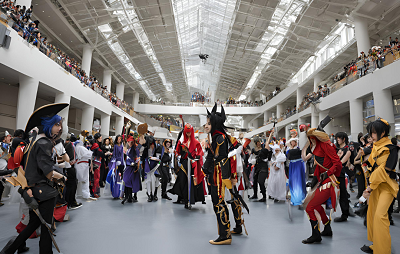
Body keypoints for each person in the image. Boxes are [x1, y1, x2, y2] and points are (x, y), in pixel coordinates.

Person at [0, 103, 69, 254]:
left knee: (33, 225)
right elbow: (49, 173)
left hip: (34, 189)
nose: (60, 128)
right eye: (57, 125)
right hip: (44, 191)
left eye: (60, 125)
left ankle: (10, 249)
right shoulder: (44, 143)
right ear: (48, 125)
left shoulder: (35, 141)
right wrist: (62, 177)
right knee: (46, 227)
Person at [202, 104, 244, 245]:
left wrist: (225, 178)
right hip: (220, 174)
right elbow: (213, 156)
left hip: (219, 176)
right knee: (223, 202)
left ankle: (225, 235)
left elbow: (221, 158)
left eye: (209, 123)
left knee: (219, 203)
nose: (206, 126)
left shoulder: (219, 138)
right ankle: (230, 230)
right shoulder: (218, 137)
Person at [360, 118, 398, 254]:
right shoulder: (375, 147)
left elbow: (385, 170)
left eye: (374, 133)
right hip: (375, 186)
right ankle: (376, 245)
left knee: (380, 216)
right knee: (372, 215)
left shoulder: (391, 148)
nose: (371, 136)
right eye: (371, 133)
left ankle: (383, 251)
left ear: (383, 133)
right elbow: (370, 166)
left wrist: (370, 186)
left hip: (387, 186)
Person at [301, 127, 342, 244]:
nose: (311, 141)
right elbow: (319, 166)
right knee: (315, 205)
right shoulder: (317, 147)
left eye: (312, 139)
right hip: (322, 181)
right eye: (310, 139)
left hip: (329, 182)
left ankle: (316, 235)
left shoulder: (325, 146)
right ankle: (327, 227)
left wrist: (327, 173)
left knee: (309, 207)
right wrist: (315, 180)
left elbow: (337, 163)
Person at [168, 123, 205, 208]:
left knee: (192, 182)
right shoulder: (182, 141)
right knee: (182, 181)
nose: (188, 134)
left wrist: (197, 155)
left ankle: (190, 199)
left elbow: (199, 152)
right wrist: (180, 150)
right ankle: (184, 199)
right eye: (187, 132)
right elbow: (177, 151)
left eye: (189, 132)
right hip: (185, 163)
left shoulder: (196, 142)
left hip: (193, 164)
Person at [250, 133, 273, 202]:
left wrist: (271, 134)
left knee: (261, 181)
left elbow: (267, 142)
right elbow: (251, 157)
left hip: (263, 167)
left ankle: (264, 196)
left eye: (259, 142)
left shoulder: (265, 149)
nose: (258, 144)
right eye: (257, 143)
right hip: (257, 167)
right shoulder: (254, 149)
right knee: (255, 181)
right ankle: (255, 194)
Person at [334, 132, 351, 222]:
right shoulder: (337, 148)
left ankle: (345, 213)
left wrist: (338, 157)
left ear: (344, 139)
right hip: (334, 172)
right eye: (337, 138)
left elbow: (341, 162)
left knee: (343, 193)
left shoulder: (347, 149)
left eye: (339, 138)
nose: (337, 139)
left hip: (341, 173)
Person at [139, 135, 162, 202]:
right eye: (149, 144)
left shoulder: (158, 147)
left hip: (156, 167)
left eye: (152, 143)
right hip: (148, 167)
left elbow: (160, 159)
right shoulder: (145, 148)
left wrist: (154, 159)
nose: (151, 145)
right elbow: (140, 153)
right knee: (148, 181)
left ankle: (154, 195)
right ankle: (149, 195)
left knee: (156, 181)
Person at [286, 138, 306, 206]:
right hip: (292, 165)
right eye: (291, 142)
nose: (292, 143)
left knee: (298, 180)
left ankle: (300, 198)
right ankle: (294, 198)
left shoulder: (299, 148)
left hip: (298, 165)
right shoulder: (288, 149)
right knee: (292, 181)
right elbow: (288, 156)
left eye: (293, 142)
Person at [121, 135, 140, 204]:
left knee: (130, 181)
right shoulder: (129, 149)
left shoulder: (136, 149)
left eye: (131, 142)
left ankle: (130, 196)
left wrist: (137, 166)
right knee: (126, 181)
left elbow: (138, 158)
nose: (130, 143)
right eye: (129, 142)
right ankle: (128, 196)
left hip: (132, 167)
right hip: (128, 167)